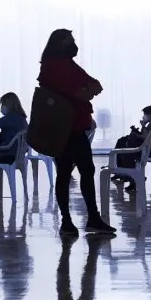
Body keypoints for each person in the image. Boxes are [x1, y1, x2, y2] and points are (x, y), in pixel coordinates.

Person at [37, 29, 116, 236]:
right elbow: (77, 92)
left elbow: (94, 85)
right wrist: (86, 91)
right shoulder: (52, 65)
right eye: (69, 40)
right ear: (59, 43)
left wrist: (86, 90)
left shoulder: (67, 64)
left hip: (76, 126)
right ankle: (71, 220)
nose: (73, 44)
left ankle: (88, 218)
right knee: (67, 173)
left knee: (83, 171)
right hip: (63, 128)